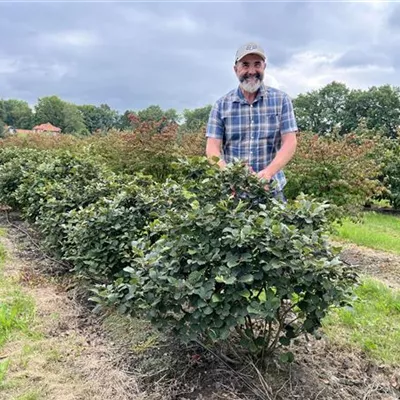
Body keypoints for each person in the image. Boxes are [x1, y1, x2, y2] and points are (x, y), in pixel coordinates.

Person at [205, 42, 298, 200]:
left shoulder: (281, 100)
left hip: (272, 189)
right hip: (234, 192)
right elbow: (212, 149)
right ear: (236, 70)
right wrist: (231, 175)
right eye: (245, 65)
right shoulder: (221, 105)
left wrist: (268, 173)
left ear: (264, 67)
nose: (252, 71)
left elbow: (290, 142)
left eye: (257, 64)